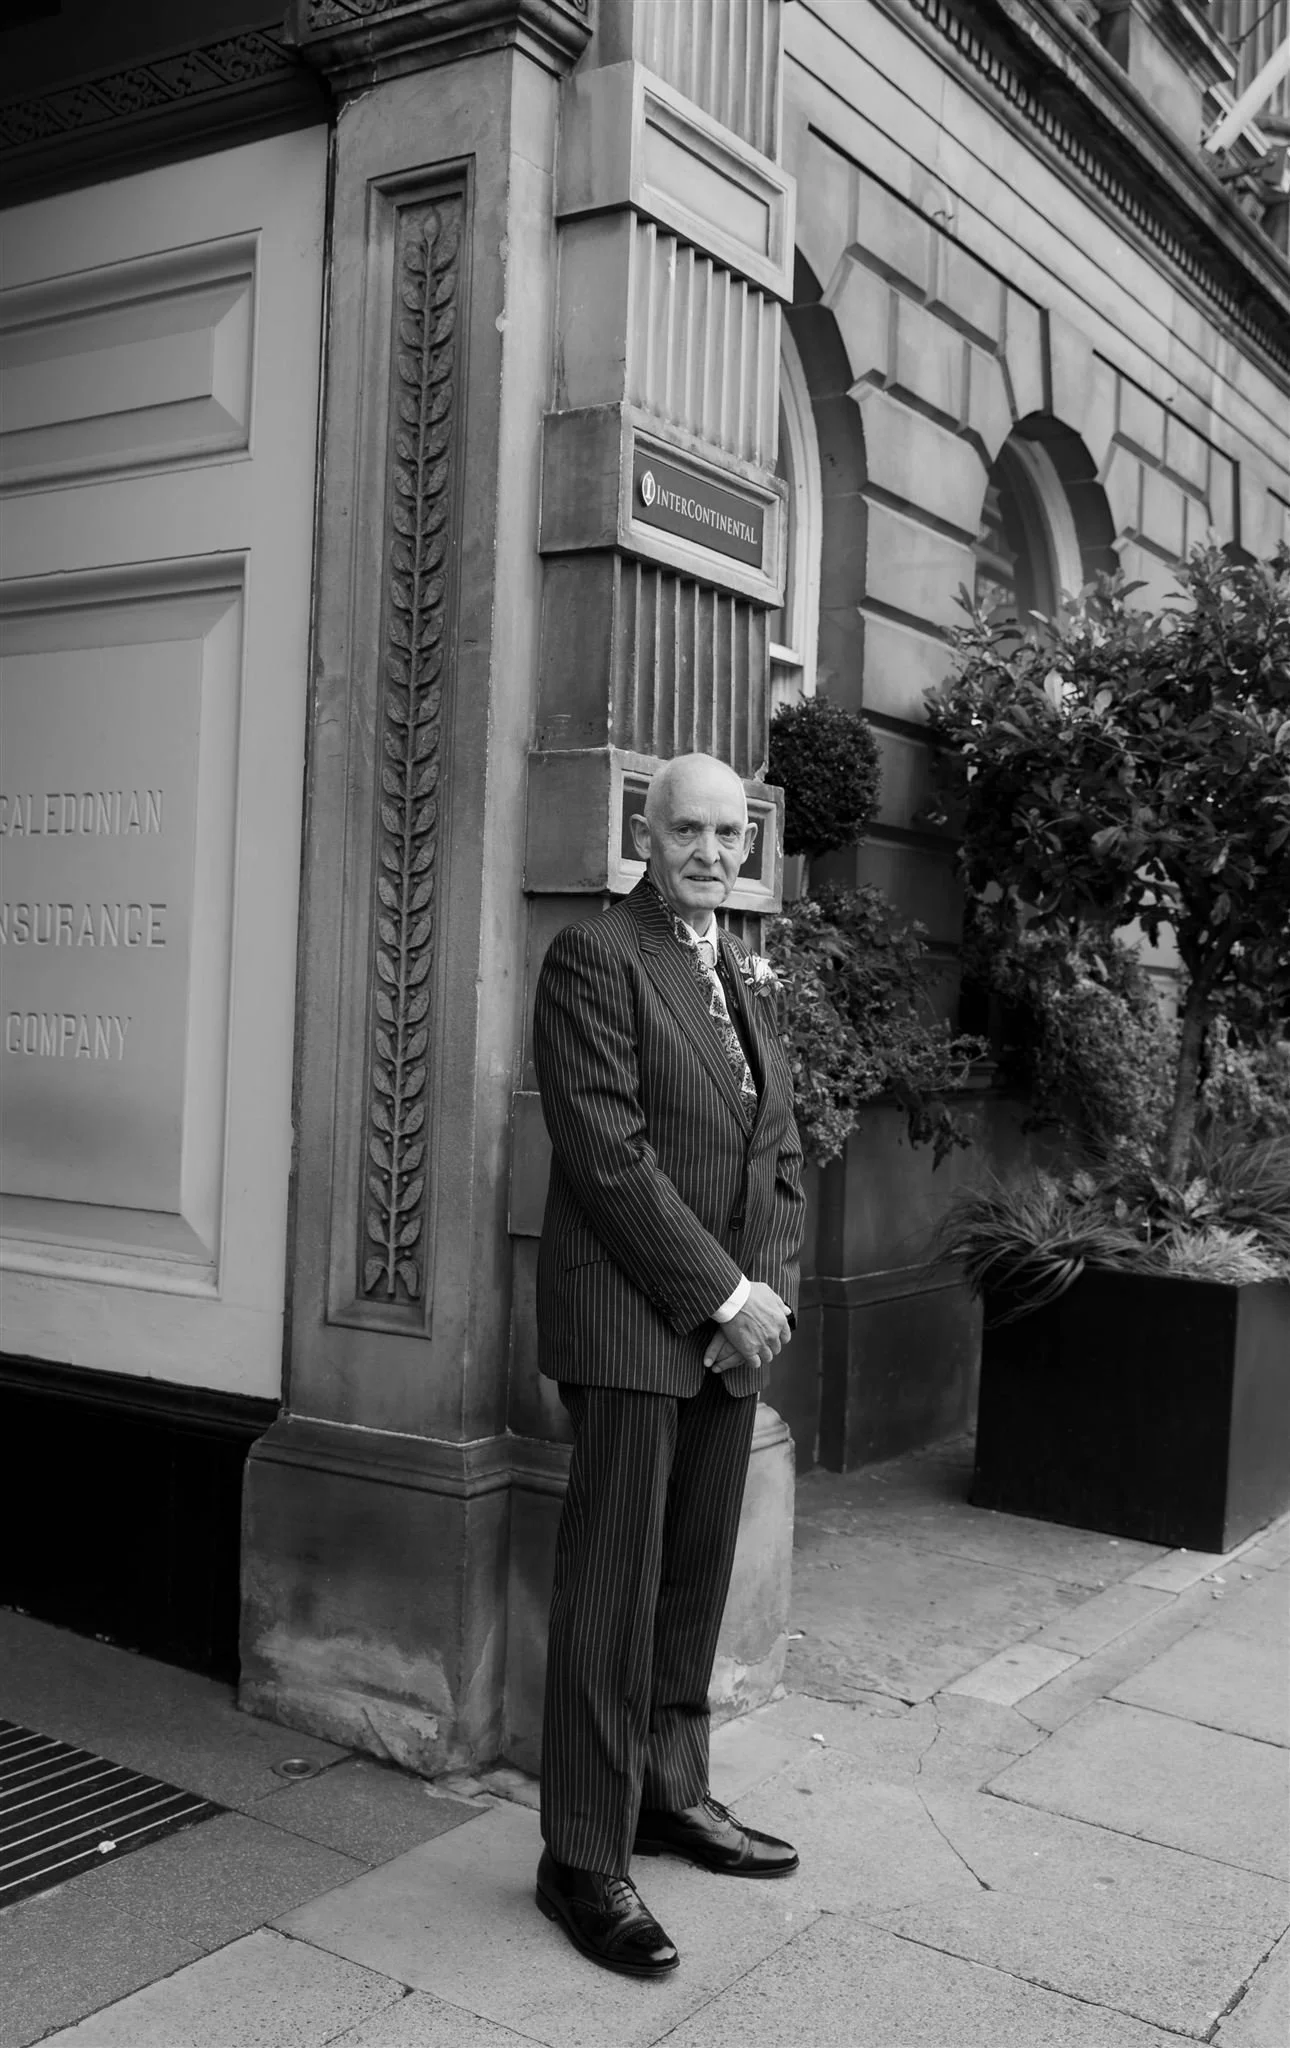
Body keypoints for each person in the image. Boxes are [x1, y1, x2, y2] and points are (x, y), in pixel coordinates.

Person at [531, 751, 806, 1979]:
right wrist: (725, 1291)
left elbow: (778, 1143)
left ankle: (669, 1792)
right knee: (613, 1588)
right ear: (646, 830)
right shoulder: (598, 954)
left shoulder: (734, 960)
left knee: (692, 1577)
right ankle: (582, 1856)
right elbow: (606, 1153)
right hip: (633, 1323)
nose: (709, 851)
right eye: (687, 830)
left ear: (750, 845)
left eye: (728, 833)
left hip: (727, 1330)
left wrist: (773, 1285)